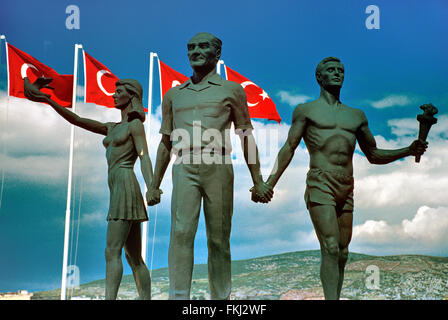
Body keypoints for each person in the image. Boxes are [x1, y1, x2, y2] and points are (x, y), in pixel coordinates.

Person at [265, 57, 428, 300]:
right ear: (319, 77)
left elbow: (373, 154)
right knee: (329, 247)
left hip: (347, 185)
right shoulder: (306, 110)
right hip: (321, 182)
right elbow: (288, 148)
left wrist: (408, 149)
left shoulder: (356, 116)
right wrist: (269, 184)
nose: (337, 73)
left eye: (341, 70)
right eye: (331, 70)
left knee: (342, 252)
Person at [147, 32, 273, 300]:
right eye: (191, 47)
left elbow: (245, 135)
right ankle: (178, 298)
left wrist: (257, 179)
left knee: (218, 238)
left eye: (203, 46)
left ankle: (220, 300)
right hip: (184, 166)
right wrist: (154, 184)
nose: (195, 51)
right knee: (180, 234)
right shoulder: (173, 95)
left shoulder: (232, 90)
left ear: (217, 53)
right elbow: (165, 142)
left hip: (218, 163)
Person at [24, 77, 153, 300]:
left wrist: (152, 186)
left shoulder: (135, 126)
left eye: (118, 91)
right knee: (133, 257)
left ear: (131, 96)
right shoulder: (111, 127)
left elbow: (144, 157)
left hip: (125, 185)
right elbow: (76, 119)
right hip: (118, 187)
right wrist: (48, 100)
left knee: (112, 251)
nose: (114, 94)